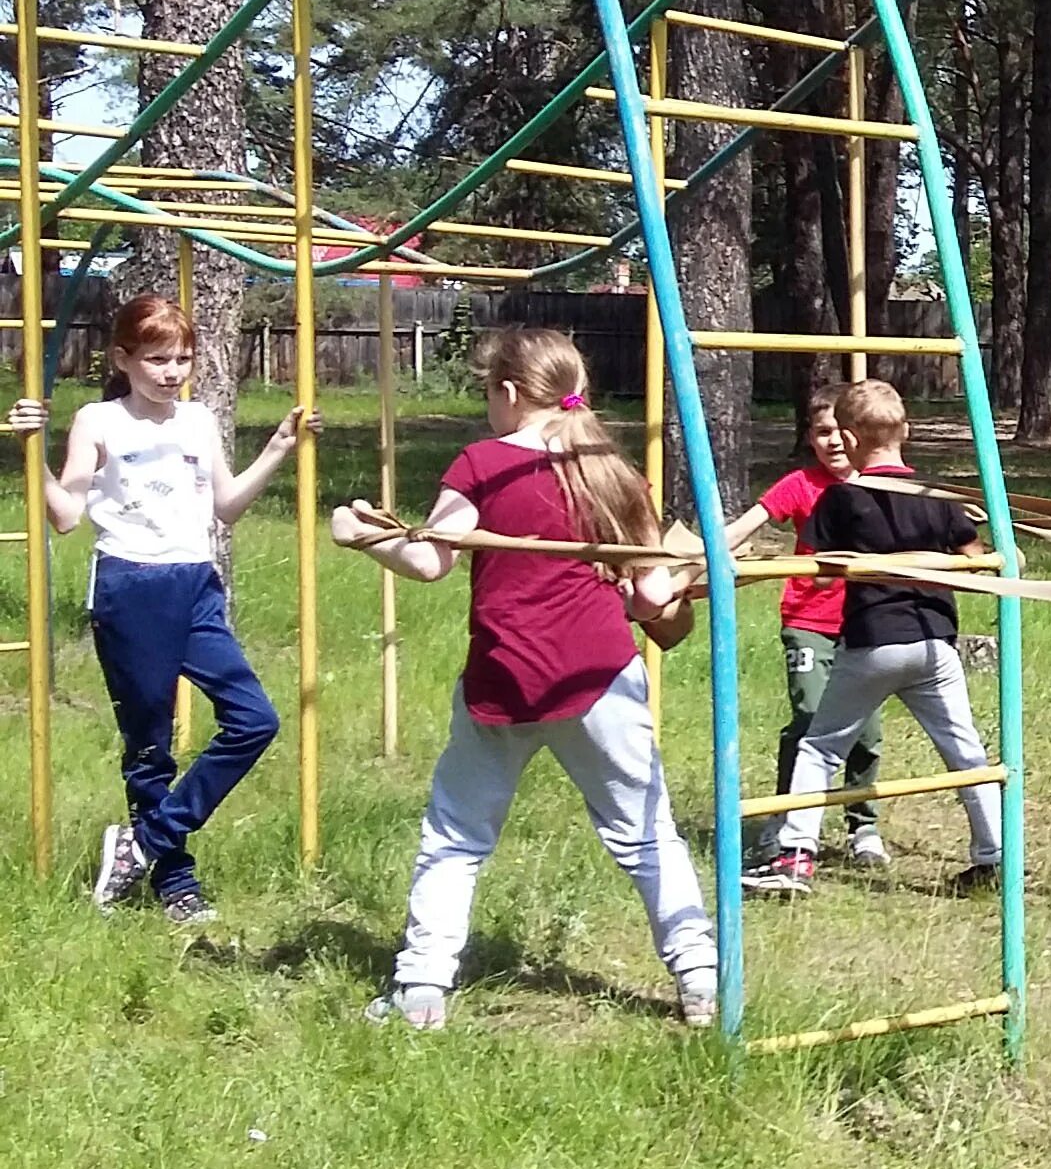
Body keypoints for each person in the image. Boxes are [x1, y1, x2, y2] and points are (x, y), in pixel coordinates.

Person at [331, 327, 715, 1031]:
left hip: (505, 677)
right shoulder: (615, 469)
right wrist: (673, 585)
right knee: (648, 833)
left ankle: (420, 991)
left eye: (487, 393)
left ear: (507, 392)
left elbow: (428, 562)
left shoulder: (482, 463)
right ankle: (702, 977)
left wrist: (363, 537)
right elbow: (654, 598)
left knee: (456, 836)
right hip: (600, 676)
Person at [5, 295, 309, 924]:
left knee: (254, 720)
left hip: (195, 583)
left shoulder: (197, 421)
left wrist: (279, 447)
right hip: (130, 588)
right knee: (150, 748)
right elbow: (65, 517)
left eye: (182, 359)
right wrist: (28, 449)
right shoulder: (99, 420)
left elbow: (225, 506)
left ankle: (143, 843)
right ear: (123, 358)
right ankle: (175, 882)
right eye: (157, 360)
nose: (172, 371)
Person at [741, 379, 1005, 897]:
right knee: (966, 752)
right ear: (905, 430)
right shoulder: (939, 496)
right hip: (936, 643)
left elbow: (819, 575)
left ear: (852, 438)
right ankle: (994, 857)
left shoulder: (842, 499)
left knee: (818, 748)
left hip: (874, 643)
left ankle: (795, 858)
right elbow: (976, 559)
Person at [724, 387, 888, 867]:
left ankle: (863, 826)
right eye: (821, 432)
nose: (833, 441)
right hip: (809, 621)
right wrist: (707, 549)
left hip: (867, 622)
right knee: (812, 716)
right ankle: (785, 816)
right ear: (810, 439)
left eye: (841, 431)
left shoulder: (882, 484)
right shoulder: (800, 484)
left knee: (866, 728)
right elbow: (747, 524)